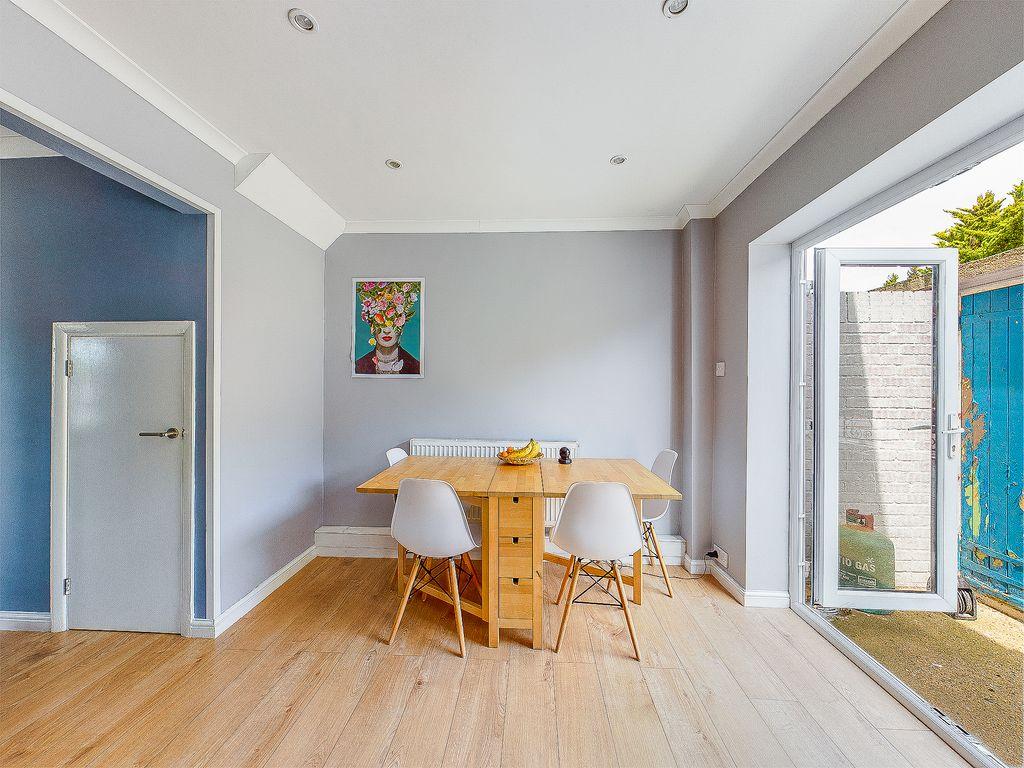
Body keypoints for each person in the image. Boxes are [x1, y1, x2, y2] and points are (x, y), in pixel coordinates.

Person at [354, 281, 421, 375]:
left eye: (393, 322)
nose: (386, 330)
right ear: (372, 327)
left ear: (401, 328)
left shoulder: (416, 367)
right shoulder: (358, 366)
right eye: (380, 322)